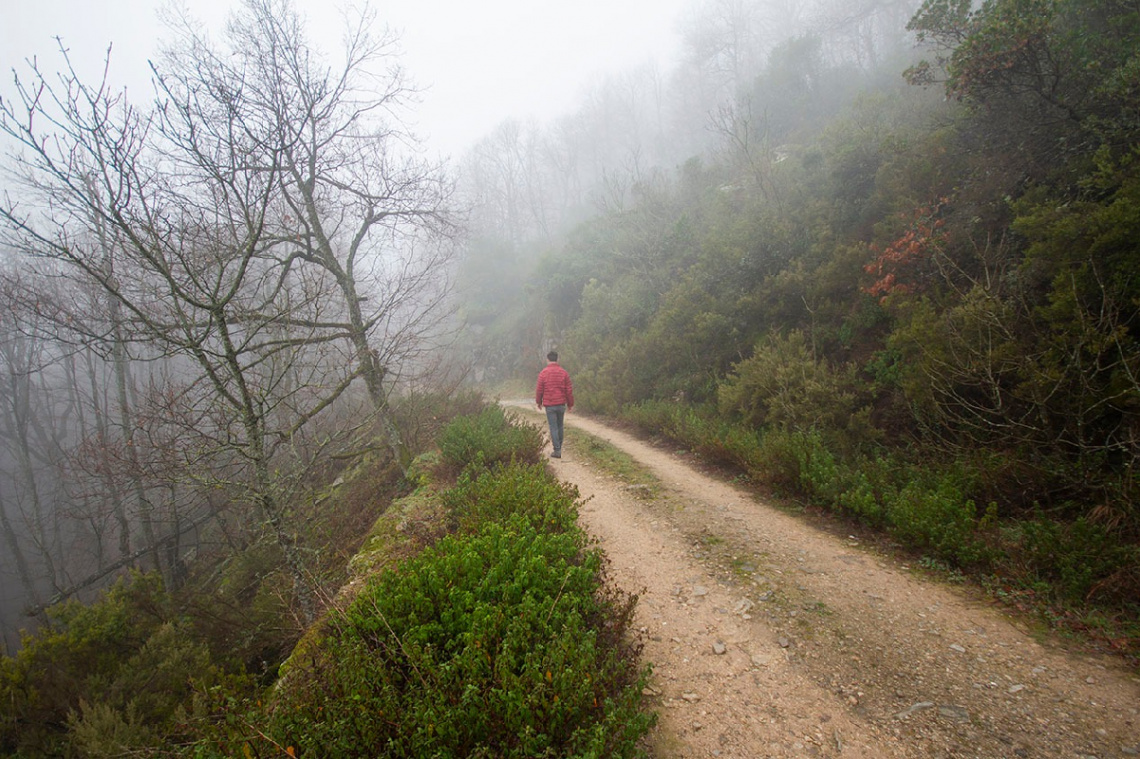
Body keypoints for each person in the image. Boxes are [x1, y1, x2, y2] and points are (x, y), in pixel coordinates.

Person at [535, 350, 574, 458]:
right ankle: (559, 447)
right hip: (561, 404)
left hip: (550, 404)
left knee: (553, 427)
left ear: (547, 359)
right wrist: (570, 404)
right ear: (557, 359)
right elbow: (569, 390)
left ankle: (557, 450)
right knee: (560, 425)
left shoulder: (543, 373)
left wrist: (539, 402)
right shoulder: (564, 373)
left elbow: (539, 389)